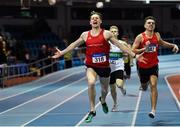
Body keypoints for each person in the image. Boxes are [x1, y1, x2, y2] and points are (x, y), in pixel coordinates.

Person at [52, 11, 145, 123]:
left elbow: (120, 45)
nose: (95, 20)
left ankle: (103, 100)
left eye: (97, 18)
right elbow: (74, 45)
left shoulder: (107, 34)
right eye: (93, 18)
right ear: (90, 21)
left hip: (104, 67)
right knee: (91, 83)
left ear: (100, 21)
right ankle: (92, 110)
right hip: (91, 65)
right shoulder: (85, 35)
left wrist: (134, 55)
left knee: (105, 90)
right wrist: (62, 52)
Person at [132, 16, 179, 119]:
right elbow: (133, 50)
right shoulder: (140, 37)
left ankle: (153, 110)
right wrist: (144, 49)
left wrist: (173, 45)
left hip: (153, 65)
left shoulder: (157, 35)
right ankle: (144, 83)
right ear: (145, 25)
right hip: (142, 66)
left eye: (153, 23)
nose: (151, 24)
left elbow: (162, 43)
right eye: (149, 23)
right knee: (144, 86)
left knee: (153, 85)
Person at [108, 26, 127, 112]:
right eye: (112, 31)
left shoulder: (122, 43)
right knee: (112, 89)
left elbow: (128, 52)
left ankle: (122, 88)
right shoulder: (106, 43)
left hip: (119, 66)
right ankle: (115, 104)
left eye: (115, 31)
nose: (113, 33)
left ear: (118, 33)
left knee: (119, 84)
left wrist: (128, 60)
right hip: (109, 68)